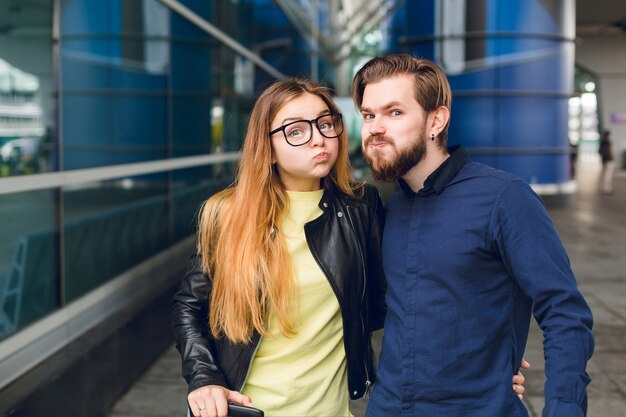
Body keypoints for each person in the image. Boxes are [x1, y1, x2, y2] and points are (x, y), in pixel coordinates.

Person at [172, 78, 526, 417]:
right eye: (296, 131)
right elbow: (190, 306)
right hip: (244, 406)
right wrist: (204, 379)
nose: (319, 139)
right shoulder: (228, 214)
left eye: (327, 124)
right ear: (268, 149)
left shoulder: (360, 207)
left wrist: (483, 367)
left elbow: (404, 303)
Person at [352, 54, 594, 417]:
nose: (375, 128)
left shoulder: (504, 198)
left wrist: (562, 407)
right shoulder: (386, 206)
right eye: (369, 115)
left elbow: (564, 312)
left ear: (436, 120)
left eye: (394, 112)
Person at [598, 130, 615, 194]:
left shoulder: (603, 142)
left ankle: (606, 187)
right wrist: (609, 158)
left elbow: (600, 151)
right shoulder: (606, 143)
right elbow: (606, 152)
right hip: (608, 160)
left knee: (606, 174)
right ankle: (605, 188)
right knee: (607, 175)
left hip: (605, 160)